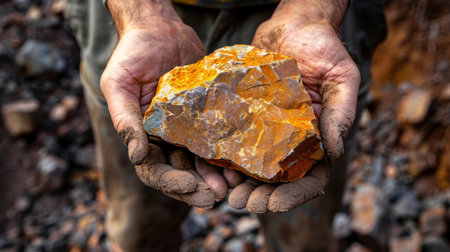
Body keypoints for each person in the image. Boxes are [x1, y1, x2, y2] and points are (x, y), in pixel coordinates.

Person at [65, 0, 386, 251]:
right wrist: (142, 13)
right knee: (138, 234)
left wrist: (317, 10)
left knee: (304, 239)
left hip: (309, 23)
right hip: (142, 22)